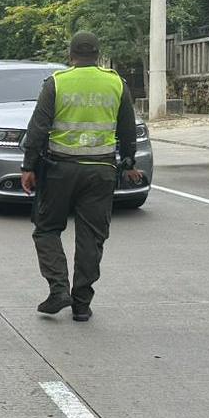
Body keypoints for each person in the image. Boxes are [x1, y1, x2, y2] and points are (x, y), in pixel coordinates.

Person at [20, 32, 142, 322]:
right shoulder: (116, 82)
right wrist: (128, 164)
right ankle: (82, 303)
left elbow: (38, 128)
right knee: (92, 237)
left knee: (47, 228)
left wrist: (28, 167)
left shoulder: (57, 83)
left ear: (70, 54)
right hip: (101, 171)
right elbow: (127, 129)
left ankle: (59, 288)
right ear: (99, 54)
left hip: (60, 170)